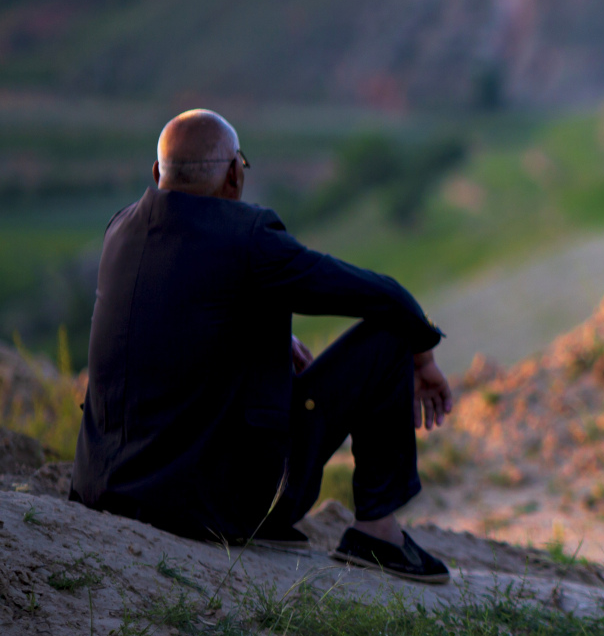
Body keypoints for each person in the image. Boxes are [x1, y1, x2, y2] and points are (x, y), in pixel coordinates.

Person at [72, 109, 458, 583]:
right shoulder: (249, 237)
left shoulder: (120, 230)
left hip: (106, 487)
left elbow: (176, 315)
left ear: (157, 175)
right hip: (216, 508)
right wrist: (424, 356)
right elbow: (381, 295)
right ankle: (378, 530)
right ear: (234, 174)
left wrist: (272, 330)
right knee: (389, 335)